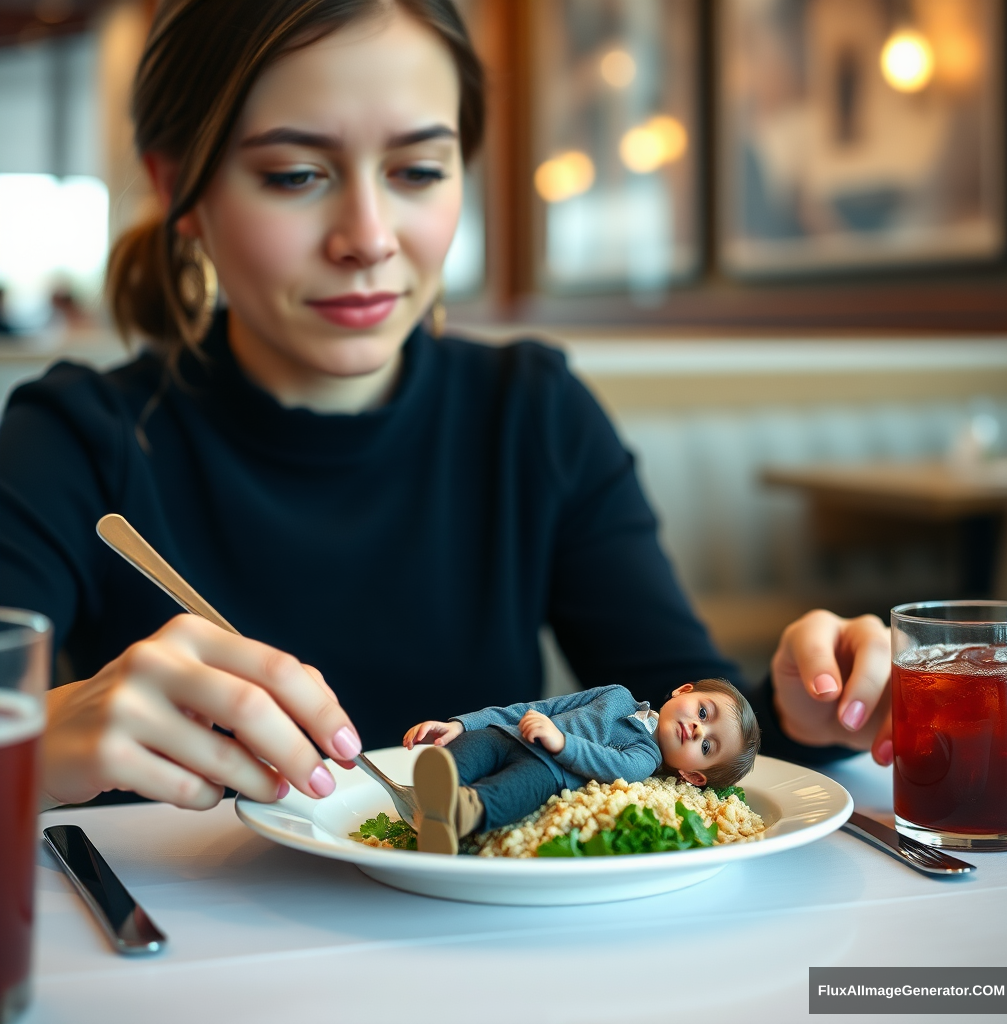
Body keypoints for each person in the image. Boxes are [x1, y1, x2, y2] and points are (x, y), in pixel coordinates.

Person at [0, 0, 892, 817]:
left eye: (418, 169)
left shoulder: (533, 417)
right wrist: (35, 745)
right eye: (296, 174)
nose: (370, 238)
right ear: (175, 190)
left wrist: (811, 709)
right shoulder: (73, 440)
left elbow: (666, 714)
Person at [404, 678, 759, 854]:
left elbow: (609, 764)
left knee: (516, 792)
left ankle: (461, 813)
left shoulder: (645, 757)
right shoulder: (617, 694)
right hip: (510, 735)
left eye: (708, 745)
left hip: (548, 771)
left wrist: (562, 743)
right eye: (703, 712)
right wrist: (463, 724)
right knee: (472, 747)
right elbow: (543, 705)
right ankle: (436, 786)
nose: (698, 728)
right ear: (683, 691)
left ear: (692, 776)